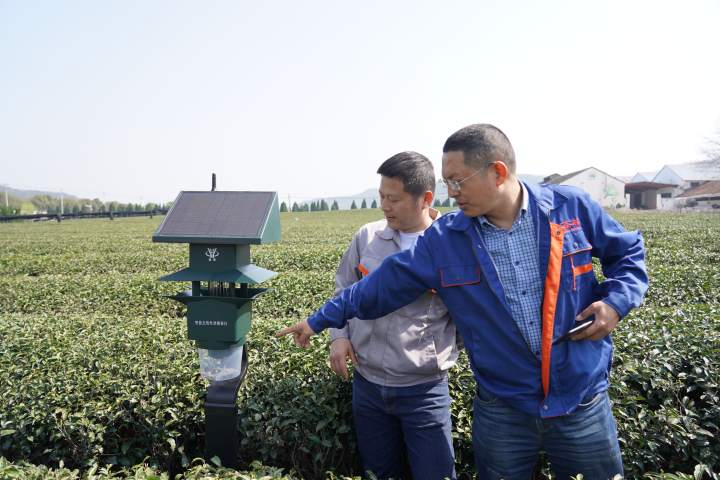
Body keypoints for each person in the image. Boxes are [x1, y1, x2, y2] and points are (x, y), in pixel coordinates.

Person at [278, 124, 648, 479]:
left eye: (458, 181)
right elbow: (381, 285)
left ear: (497, 172)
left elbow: (628, 254)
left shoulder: (570, 208)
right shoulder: (446, 238)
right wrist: (319, 320)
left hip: (581, 399)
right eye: (447, 183)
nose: (452, 193)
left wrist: (616, 303)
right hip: (503, 407)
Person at [328, 151, 459, 480]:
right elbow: (343, 288)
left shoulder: (451, 245)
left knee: (436, 474)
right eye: (382, 196)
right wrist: (339, 337)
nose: (385, 206)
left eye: (394, 199)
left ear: (425, 199)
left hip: (424, 390)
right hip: (368, 385)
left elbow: (468, 311)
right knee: (379, 473)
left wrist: (436, 351)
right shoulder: (368, 237)